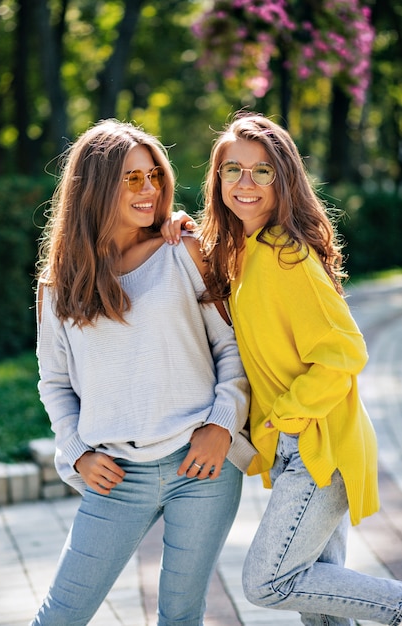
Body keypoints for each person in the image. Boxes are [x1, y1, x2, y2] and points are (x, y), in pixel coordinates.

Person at [161, 111, 402, 626]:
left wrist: (285, 418)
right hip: (308, 441)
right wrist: (187, 232)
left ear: (283, 178)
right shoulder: (250, 251)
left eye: (262, 171)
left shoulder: (285, 255)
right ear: (217, 178)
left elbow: (345, 351)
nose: (245, 183)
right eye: (233, 170)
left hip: (317, 445)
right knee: (321, 601)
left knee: (270, 582)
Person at [31, 118, 256, 626]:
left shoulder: (183, 251)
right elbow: (55, 383)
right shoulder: (57, 288)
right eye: (132, 178)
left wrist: (222, 424)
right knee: (59, 616)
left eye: (154, 175)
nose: (149, 189)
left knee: (179, 616)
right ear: (94, 187)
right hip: (114, 476)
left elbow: (232, 346)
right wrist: (77, 453)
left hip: (200, 467)